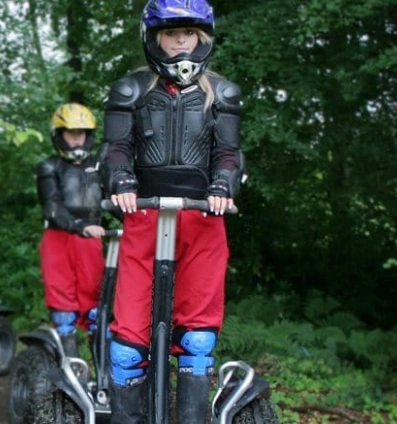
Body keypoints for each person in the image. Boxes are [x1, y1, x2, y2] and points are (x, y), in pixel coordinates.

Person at [103, 0, 244, 422]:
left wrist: (223, 184)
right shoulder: (131, 89)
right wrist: (121, 180)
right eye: (170, 33)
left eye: (188, 33)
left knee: (197, 340)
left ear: (202, 37)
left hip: (202, 217)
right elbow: (114, 150)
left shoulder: (222, 92)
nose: (180, 41)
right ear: (154, 39)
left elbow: (230, 154)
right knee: (128, 343)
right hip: (144, 213)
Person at [36, 103, 107, 358]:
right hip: (59, 239)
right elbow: (51, 206)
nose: (77, 138)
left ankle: (106, 380)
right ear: (59, 134)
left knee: (96, 309)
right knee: (63, 310)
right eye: (71, 132)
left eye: (82, 132)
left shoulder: (99, 166)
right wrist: (78, 226)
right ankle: (68, 374)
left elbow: (116, 201)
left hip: (91, 240)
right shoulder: (49, 167)